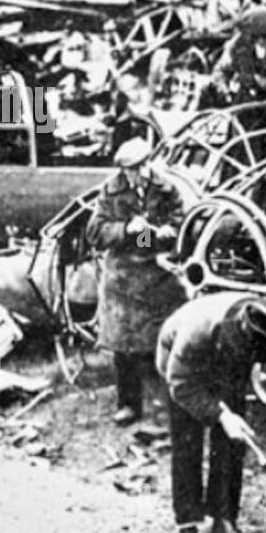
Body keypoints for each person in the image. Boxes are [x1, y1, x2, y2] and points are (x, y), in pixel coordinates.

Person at [155, 292, 266, 533]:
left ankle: (224, 525)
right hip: (183, 371)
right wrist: (219, 413)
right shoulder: (197, 330)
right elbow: (180, 383)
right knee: (187, 445)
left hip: (224, 364)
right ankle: (188, 531)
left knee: (233, 440)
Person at [85, 138, 188, 426]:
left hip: (158, 273)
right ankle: (128, 404)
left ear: (148, 164)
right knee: (124, 347)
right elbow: (95, 232)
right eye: (129, 170)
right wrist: (126, 228)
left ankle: (162, 404)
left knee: (160, 341)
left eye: (139, 168)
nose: (134, 175)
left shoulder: (167, 188)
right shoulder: (110, 190)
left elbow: (182, 219)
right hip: (124, 277)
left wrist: (171, 229)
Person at [210, 5, 266, 104]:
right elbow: (221, 70)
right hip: (248, 95)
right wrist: (223, 90)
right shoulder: (238, 44)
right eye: (256, 37)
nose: (263, 40)